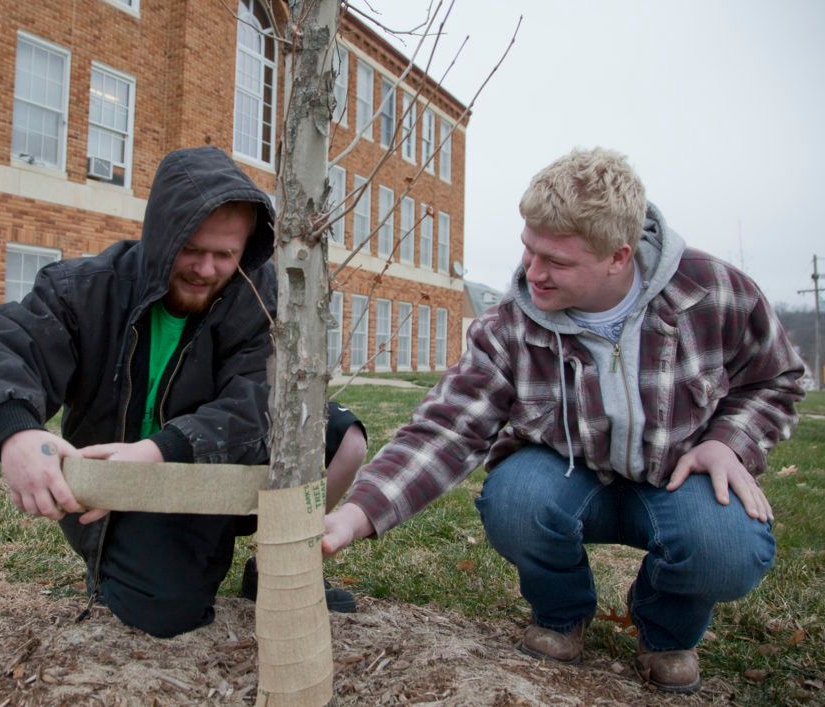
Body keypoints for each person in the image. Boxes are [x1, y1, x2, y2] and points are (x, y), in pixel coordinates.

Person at [323, 147, 805, 693]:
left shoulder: (715, 292)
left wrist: (730, 441)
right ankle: (561, 615)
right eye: (529, 250)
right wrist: (360, 512)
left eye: (557, 261)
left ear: (618, 257)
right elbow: (450, 426)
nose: (533, 273)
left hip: (679, 480)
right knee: (514, 498)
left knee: (727, 547)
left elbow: (777, 380)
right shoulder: (511, 322)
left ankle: (666, 630)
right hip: (567, 480)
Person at [0, 146, 366, 638]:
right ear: (160, 234)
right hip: (126, 492)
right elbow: (4, 350)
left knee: (344, 438)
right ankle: (119, 561)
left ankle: (277, 566)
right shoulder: (83, 289)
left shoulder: (254, 294)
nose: (207, 269)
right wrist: (15, 433)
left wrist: (160, 450)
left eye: (226, 255)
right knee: (165, 613)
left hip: (211, 460)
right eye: (191, 250)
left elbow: (256, 401)